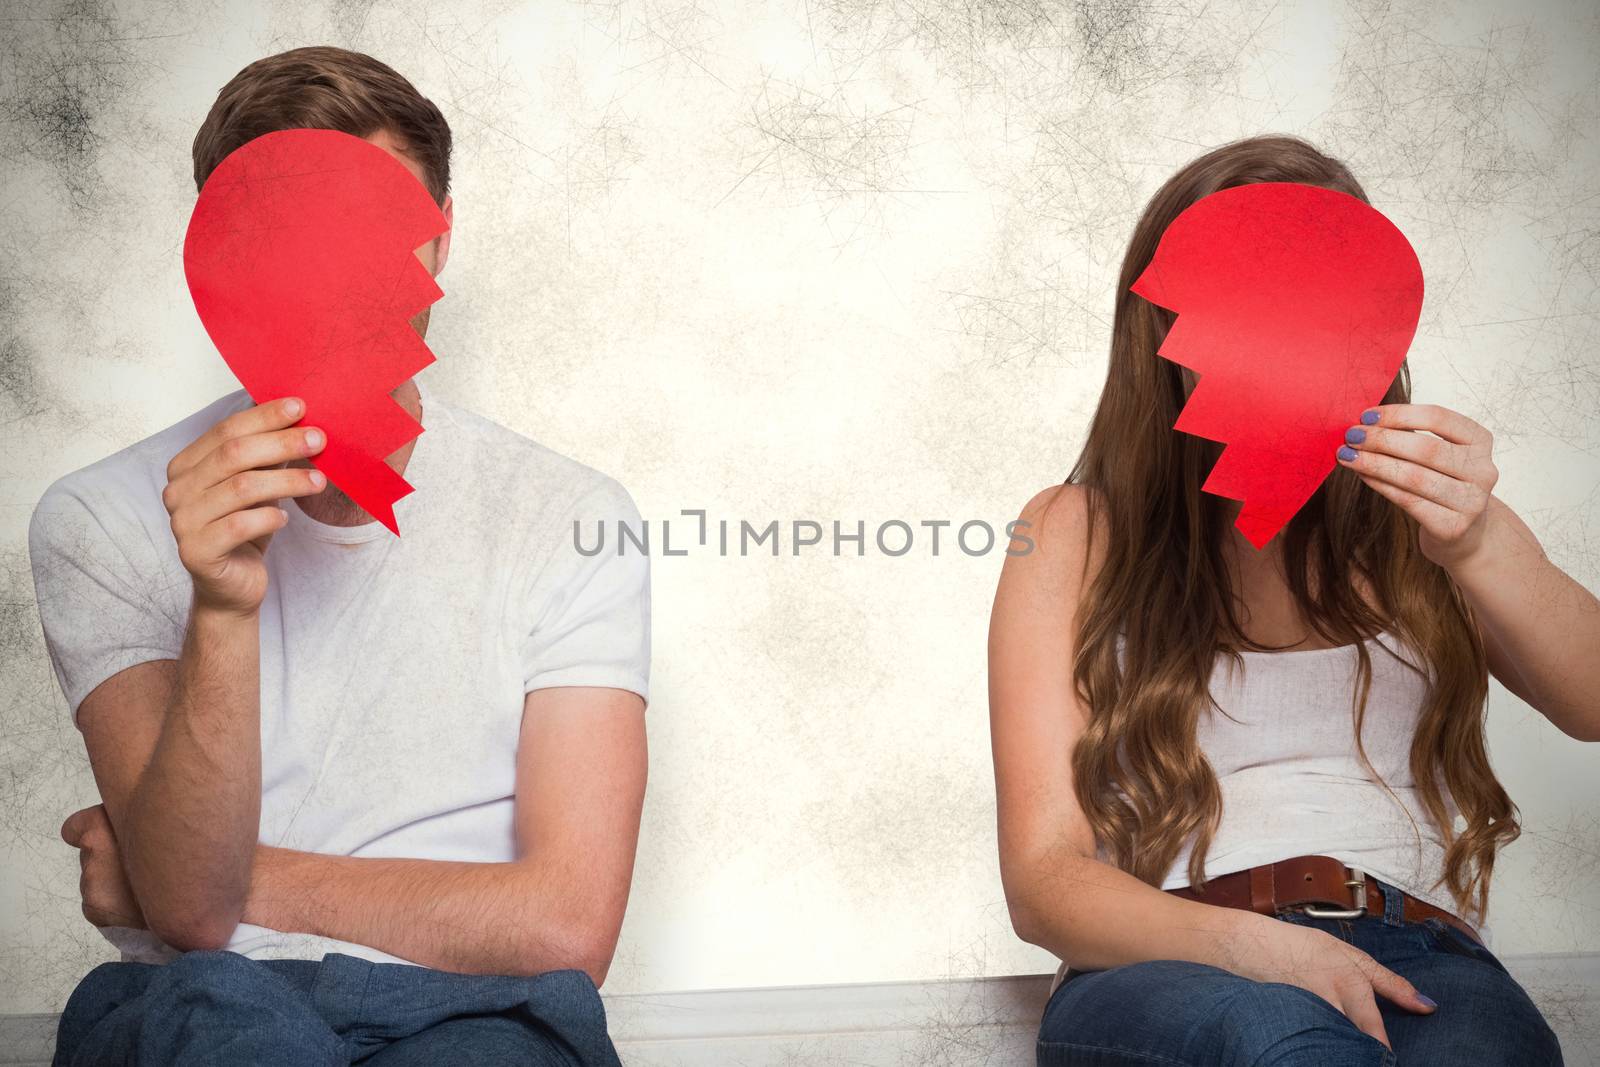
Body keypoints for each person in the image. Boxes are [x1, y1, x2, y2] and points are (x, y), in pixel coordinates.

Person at [30, 46, 649, 1067]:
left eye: (375, 236)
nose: (336, 285)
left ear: (437, 247)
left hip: (475, 1011)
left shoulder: (571, 514)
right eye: (292, 245)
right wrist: (221, 601)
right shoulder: (98, 518)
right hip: (200, 997)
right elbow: (192, 920)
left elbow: (565, 927)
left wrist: (211, 875)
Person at [987, 135, 1593, 1066]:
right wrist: (1258, 948)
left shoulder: (1431, 519)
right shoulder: (1071, 530)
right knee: (1285, 1043)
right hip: (1178, 956)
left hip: (1424, 951)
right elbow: (1043, 881)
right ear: (1167, 336)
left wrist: (1479, 543)